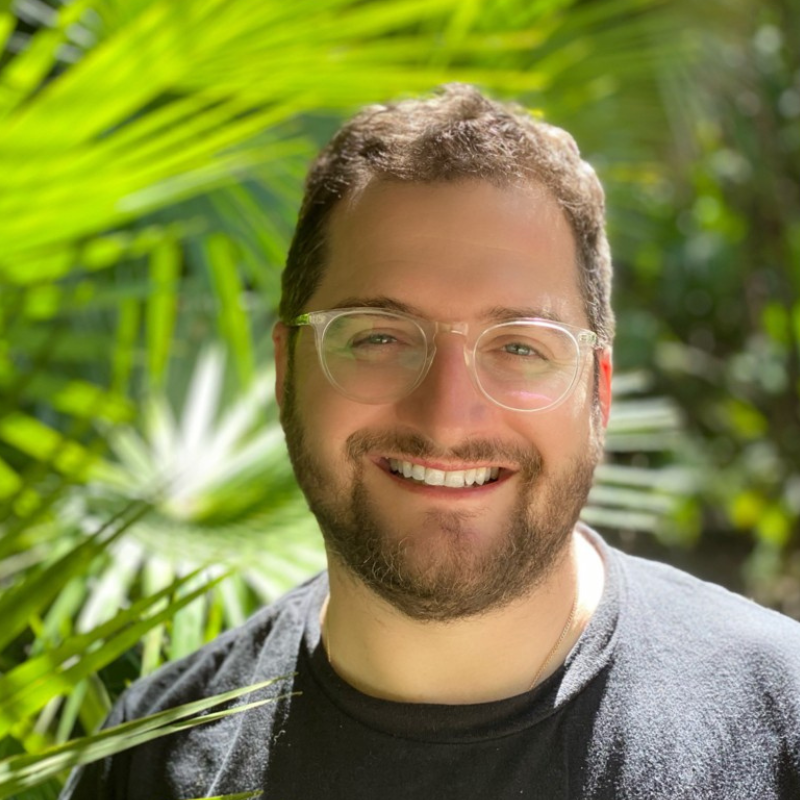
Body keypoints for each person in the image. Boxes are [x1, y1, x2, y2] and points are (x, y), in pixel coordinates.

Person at [61, 83, 800, 800]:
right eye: (379, 337)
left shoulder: (780, 726)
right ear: (288, 371)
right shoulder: (149, 758)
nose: (447, 421)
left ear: (597, 392)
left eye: (519, 347)